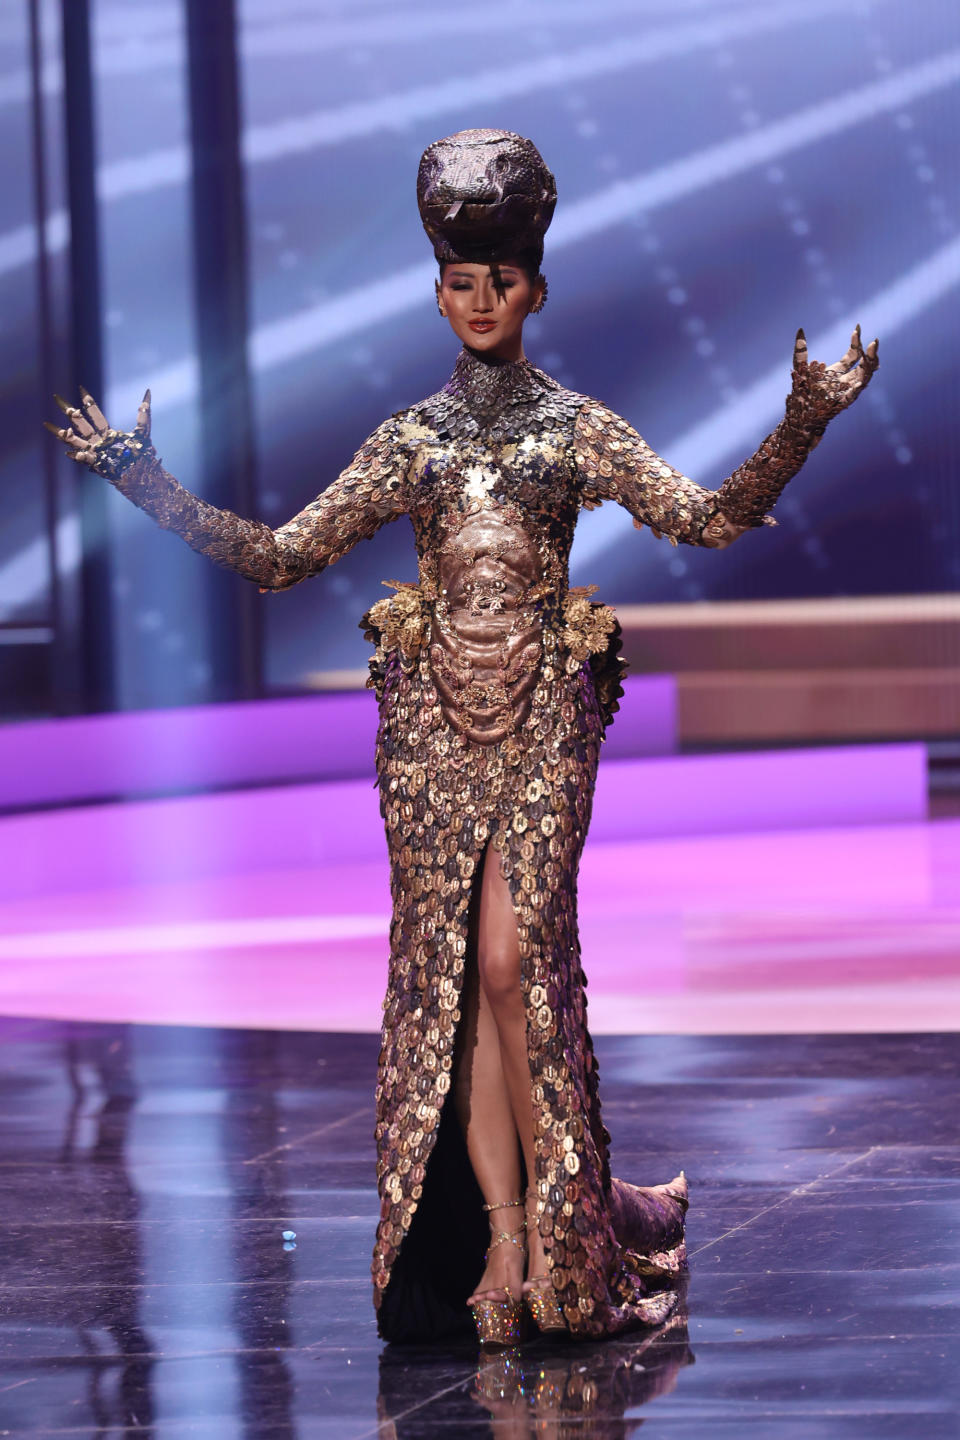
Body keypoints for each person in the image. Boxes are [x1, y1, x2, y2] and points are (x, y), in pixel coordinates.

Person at [47, 128, 878, 1347]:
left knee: (512, 965)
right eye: (457, 282)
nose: (478, 301)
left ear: (534, 287)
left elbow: (703, 521)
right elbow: (284, 558)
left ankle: (565, 1237)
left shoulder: (576, 428)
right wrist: (149, 486)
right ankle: (503, 1235)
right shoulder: (410, 439)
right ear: (439, 289)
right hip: (433, 722)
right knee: (451, 983)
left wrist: (802, 423)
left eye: (498, 281)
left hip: (544, 707)